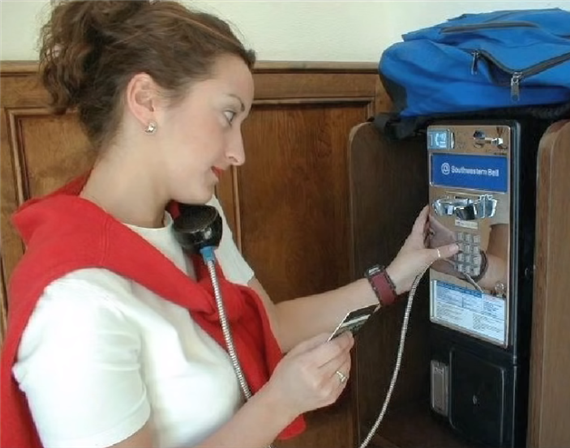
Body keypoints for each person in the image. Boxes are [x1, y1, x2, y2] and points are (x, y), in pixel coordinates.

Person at [0, 1, 458, 448]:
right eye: (227, 115)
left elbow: (270, 324)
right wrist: (279, 403)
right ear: (146, 100)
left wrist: (395, 278)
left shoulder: (192, 220)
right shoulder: (75, 305)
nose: (238, 153)